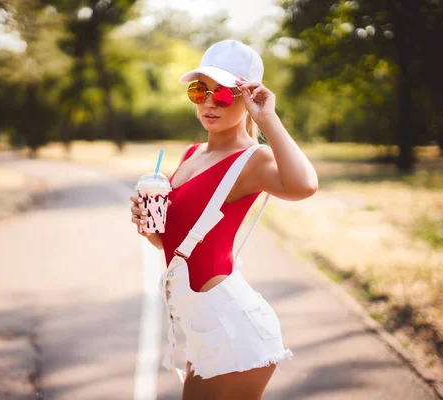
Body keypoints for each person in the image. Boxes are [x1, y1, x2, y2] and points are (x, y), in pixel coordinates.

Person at [129, 39, 318, 400]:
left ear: (247, 98)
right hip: (201, 327)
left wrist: (268, 118)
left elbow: (305, 186)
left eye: (224, 95)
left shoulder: (253, 159)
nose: (209, 103)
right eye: (200, 91)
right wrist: (146, 223)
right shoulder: (191, 154)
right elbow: (176, 244)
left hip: (233, 330)